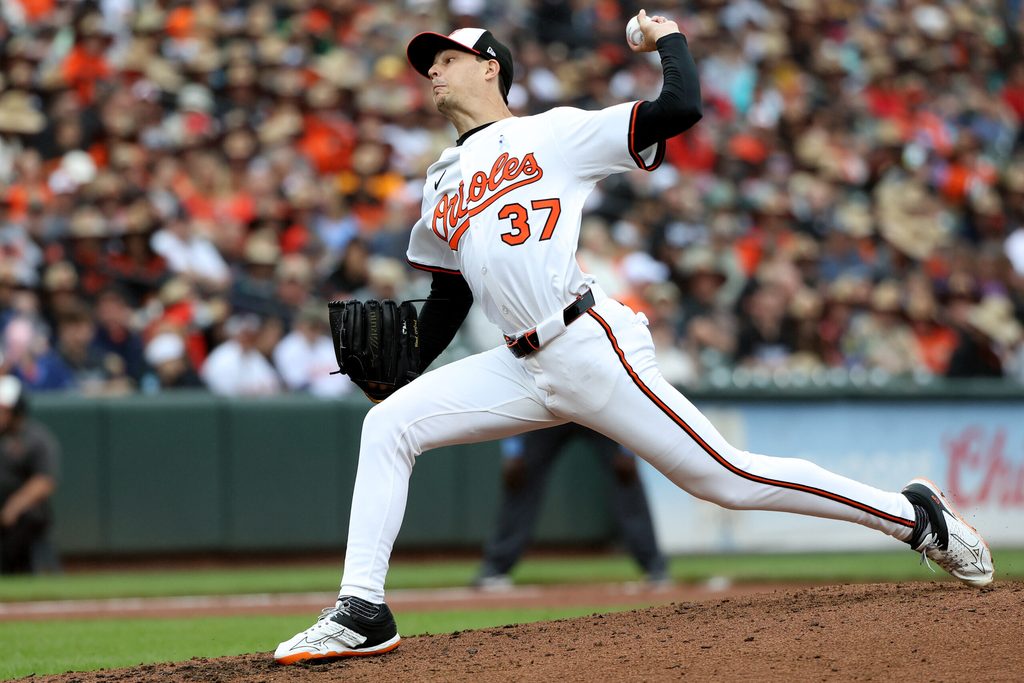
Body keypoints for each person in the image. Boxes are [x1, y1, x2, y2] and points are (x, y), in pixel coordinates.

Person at [275, 13, 993, 665]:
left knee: (728, 480)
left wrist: (670, 39)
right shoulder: (439, 183)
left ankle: (915, 516)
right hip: (518, 364)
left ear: (490, 66)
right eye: (426, 63)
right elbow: (449, 293)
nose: (431, 69)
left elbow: (679, 107)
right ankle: (362, 608)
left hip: (587, 341)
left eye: (446, 57)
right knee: (389, 424)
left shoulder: (550, 131)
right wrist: (406, 367)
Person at [475, 424, 668, 589]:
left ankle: (654, 567)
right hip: (552, 402)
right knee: (520, 475)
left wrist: (626, 449)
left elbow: (624, 389)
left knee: (625, 475)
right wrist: (514, 451)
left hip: (593, 399)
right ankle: (495, 568)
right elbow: (517, 395)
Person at [0, 375, 60, 574]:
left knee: (30, 515)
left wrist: (14, 506)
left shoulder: (35, 438)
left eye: (4, 410)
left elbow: (45, 481)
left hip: (21, 512)